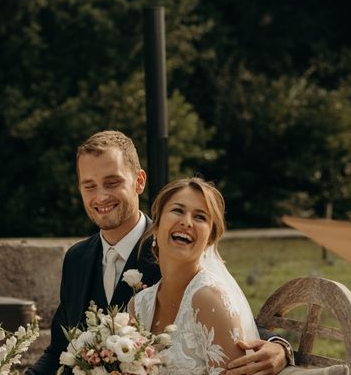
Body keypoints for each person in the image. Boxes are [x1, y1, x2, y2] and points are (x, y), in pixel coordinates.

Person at [27, 131, 292, 375]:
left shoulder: (177, 249)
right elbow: (59, 350)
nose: (101, 196)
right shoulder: (76, 258)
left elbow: (223, 310)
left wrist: (279, 346)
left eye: (112, 182)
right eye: (90, 186)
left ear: (139, 181)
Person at [129, 177, 262, 373]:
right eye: (178, 210)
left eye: (200, 217)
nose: (186, 222)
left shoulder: (210, 300)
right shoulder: (138, 306)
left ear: (209, 239)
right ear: (156, 225)